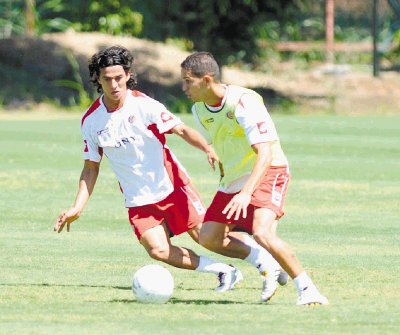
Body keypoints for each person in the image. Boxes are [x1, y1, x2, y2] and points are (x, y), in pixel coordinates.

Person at [53, 45, 277, 294]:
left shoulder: (144, 105)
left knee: (206, 235)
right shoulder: (91, 120)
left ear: (128, 75)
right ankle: (224, 271)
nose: (115, 85)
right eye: (108, 79)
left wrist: (207, 148)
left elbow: (181, 129)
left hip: (172, 186)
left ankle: (263, 259)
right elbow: (90, 168)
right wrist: (78, 207)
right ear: (97, 79)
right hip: (138, 199)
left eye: (119, 78)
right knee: (158, 250)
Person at [180, 51, 328, 305]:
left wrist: (246, 193)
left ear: (206, 80)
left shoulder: (244, 101)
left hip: (269, 170)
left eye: (187, 81)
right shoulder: (198, 110)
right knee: (208, 237)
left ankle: (307, 289)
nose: (183, 87)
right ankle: (265, 260)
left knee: (262, 232)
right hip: (234, 179)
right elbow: (225, 140)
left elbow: (265, 152)